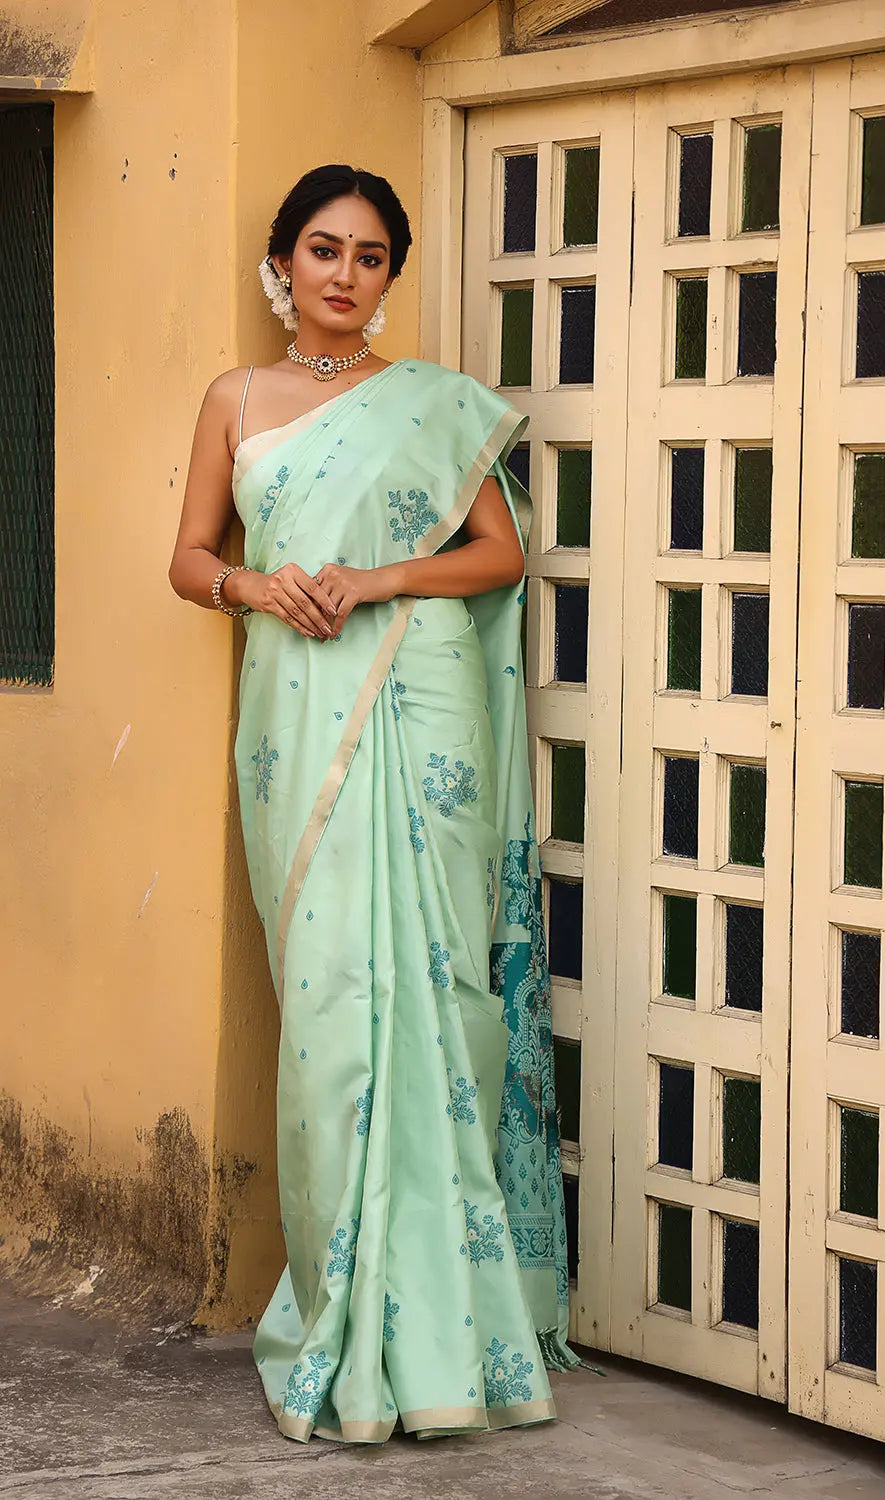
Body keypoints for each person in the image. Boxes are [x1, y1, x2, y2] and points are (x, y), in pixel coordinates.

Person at [169, 165, 581, 1444]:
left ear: (389, 275)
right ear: (281, 262)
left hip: (425, 703)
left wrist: (377, 577)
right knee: (332, 1007)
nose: (343, 274)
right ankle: (342, 1322)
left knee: (440, 991)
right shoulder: (236, 399)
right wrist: (257, 588)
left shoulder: (434, 405)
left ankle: (456, 1333)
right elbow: (189, 558)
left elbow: (500, 553)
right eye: (322, 248)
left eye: (368, 256)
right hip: (299, 715)